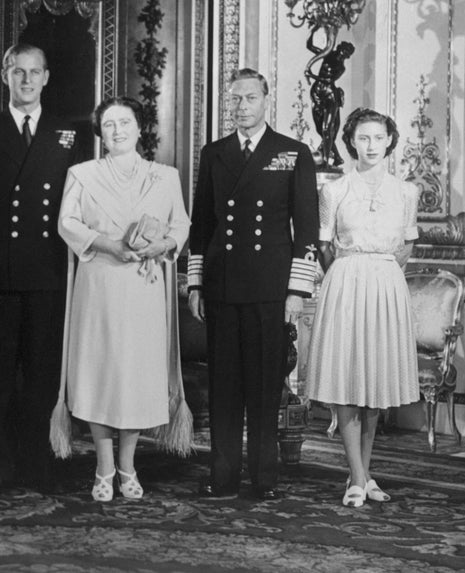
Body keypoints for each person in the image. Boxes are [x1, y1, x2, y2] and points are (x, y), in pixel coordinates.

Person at [52, 96, 192, 502]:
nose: (118, 131)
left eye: (125, 122)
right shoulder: (82, 173)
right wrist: (108, 244)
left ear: (139, 127)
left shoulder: (164, 176)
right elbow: (67, 222)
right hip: (100, 283)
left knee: (135, 376)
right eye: (109, 124)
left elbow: (180, 222)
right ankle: (103, 466)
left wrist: (162, 244)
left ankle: (128, 465)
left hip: (144, 286)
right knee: (102, 372)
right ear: (100, 131)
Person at [188, 68, 319, 501]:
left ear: (266, 100)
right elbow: (202, 223)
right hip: (223, 285)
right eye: (235, 99)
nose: (241, 106)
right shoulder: (214, 153)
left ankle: (265, 478)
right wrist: (195, 285)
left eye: (249, 98)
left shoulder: (293, 152)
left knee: (265, 387)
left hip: (271, 288)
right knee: (224, 388)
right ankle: (222, 475)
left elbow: (307, 231)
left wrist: (297, 291)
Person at [0, 43, 79, 494]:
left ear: (46, 77)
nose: (26, 81)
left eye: (34, 73)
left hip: (49, 272)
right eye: (18, 73)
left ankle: (37, 464)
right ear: (5, 77)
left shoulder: (69, 134)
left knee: (43, 376)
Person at [305, 108, 419, 507]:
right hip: (345, 281)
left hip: (387, 284)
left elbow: (407, 246)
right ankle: (357, 477)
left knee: (374, 380)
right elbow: (322, 243)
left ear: (390, 140)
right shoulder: (334, 190)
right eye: (363, 138)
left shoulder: (407, 192)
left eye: (378, 137)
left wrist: (381, 274)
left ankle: (364, 474)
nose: (371, 146)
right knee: (348, 376)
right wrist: (345, 275)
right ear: (351, 141)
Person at [305, 33, 355, 170]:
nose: (343, 55)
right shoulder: (328, 54)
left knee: (327, 129)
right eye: (342, 51)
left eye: (346, 54)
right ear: (339, 48)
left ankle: (326, 162)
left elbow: (327, 80)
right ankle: (337, 157)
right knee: (319, 128)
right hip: (317, 92)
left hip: (330, 95)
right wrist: (314, 29)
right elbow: (309, 46)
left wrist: (311, 74)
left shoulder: (341, 67)